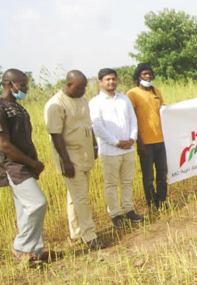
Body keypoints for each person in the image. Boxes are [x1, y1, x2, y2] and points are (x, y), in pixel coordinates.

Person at [45, 70, 101, 250]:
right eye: (79, 88)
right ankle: (89, 236)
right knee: (82, 197)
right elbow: (56, 135)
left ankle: (75, 232)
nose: (83, 91)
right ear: (68, 85)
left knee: (75, 196)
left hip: (84, 154)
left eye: (85, 87)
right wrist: (66, 161)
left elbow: (88, 125)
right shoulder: (56, 104)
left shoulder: (81, 99)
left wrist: (94, 145)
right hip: (70, 158)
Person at [0, 69, 50, 264]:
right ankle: (21, 247)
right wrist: (32, 163)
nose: (26, 89)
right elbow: (5, 145)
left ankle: (35, 252)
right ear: (10, 84)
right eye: (22, 85)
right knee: (38, 203)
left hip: (25, 163)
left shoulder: (19, 107)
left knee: (25, 208)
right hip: (14, 166)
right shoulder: (2, 108)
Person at [89, 68, 144, 228]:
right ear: (100, 82)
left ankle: (128, 210)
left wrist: (132, 138)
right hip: (110, 150)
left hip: (128, 148)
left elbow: (133, 120)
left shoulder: (124, 99)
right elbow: (97, 127)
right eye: (107, 79)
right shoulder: (95, 103)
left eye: (113, 79)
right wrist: (116, 142)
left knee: (127, 181)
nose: (111, 82)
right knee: (111, 184)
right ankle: (115, 214)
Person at [127, 63, 167, 209]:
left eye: (150, 73)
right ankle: (152, 204)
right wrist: (140, 142)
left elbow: (163, 111)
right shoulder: (132, 94)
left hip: (161, 140)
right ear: (139, 76)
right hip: (146, 143)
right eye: (145, 74)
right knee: (148, 177)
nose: (148, 76)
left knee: (162, 174)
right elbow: (132, 119)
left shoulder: (156, 91)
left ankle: (161, 201)